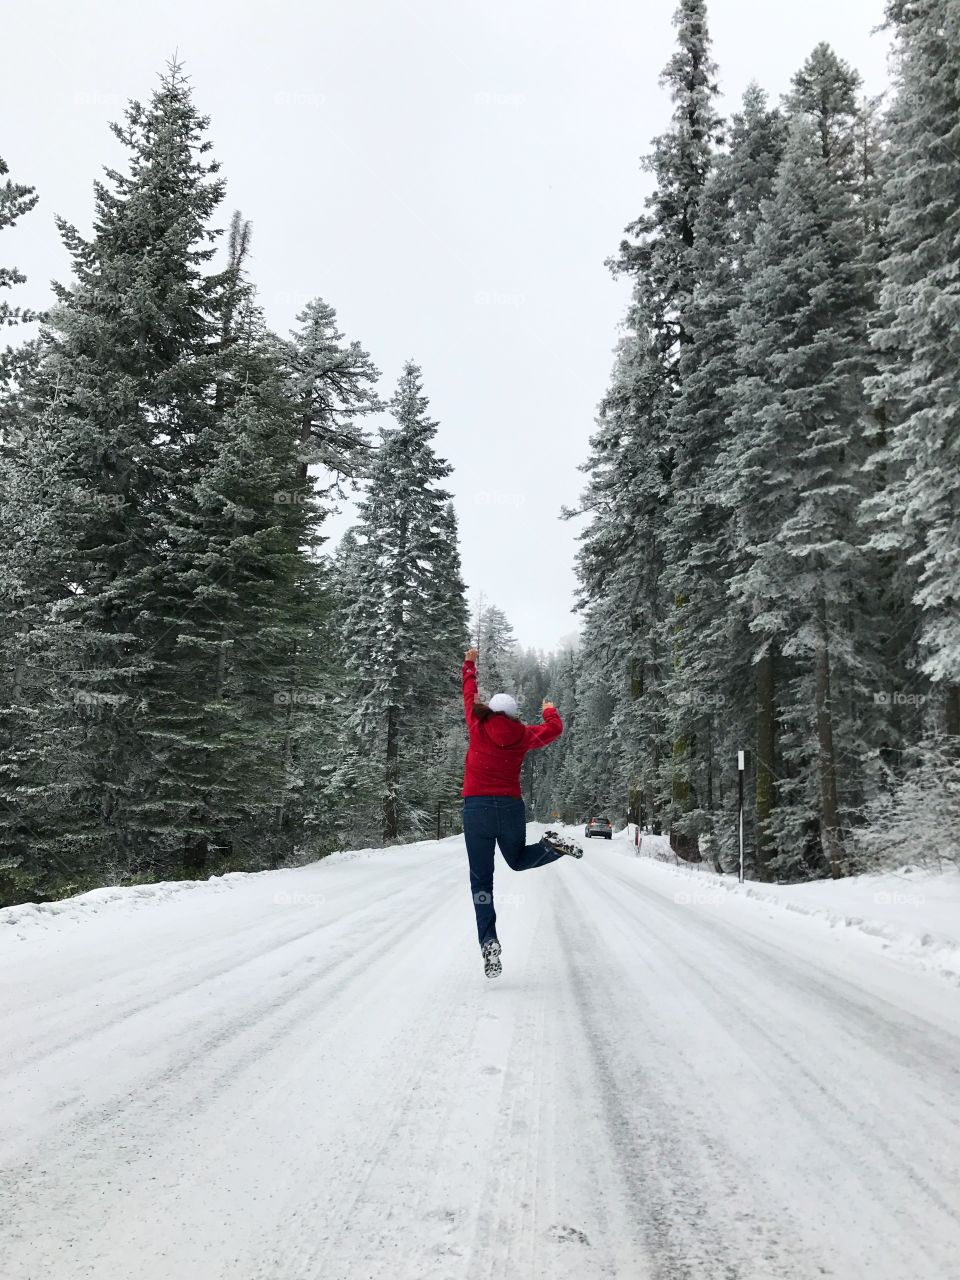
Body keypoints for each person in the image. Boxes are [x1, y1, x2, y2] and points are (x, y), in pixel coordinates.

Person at [460, 647, 582, 979]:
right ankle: (551, 847)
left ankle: (489, 941)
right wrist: (550, 711)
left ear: (490, 712)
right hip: (510, 808)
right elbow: (554, 730)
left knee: (481, 882)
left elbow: (468, 692)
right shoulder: (523, 734)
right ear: (513, 716)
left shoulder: (476, 723)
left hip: (476, 810)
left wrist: (470, 663)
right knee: (515, 860)